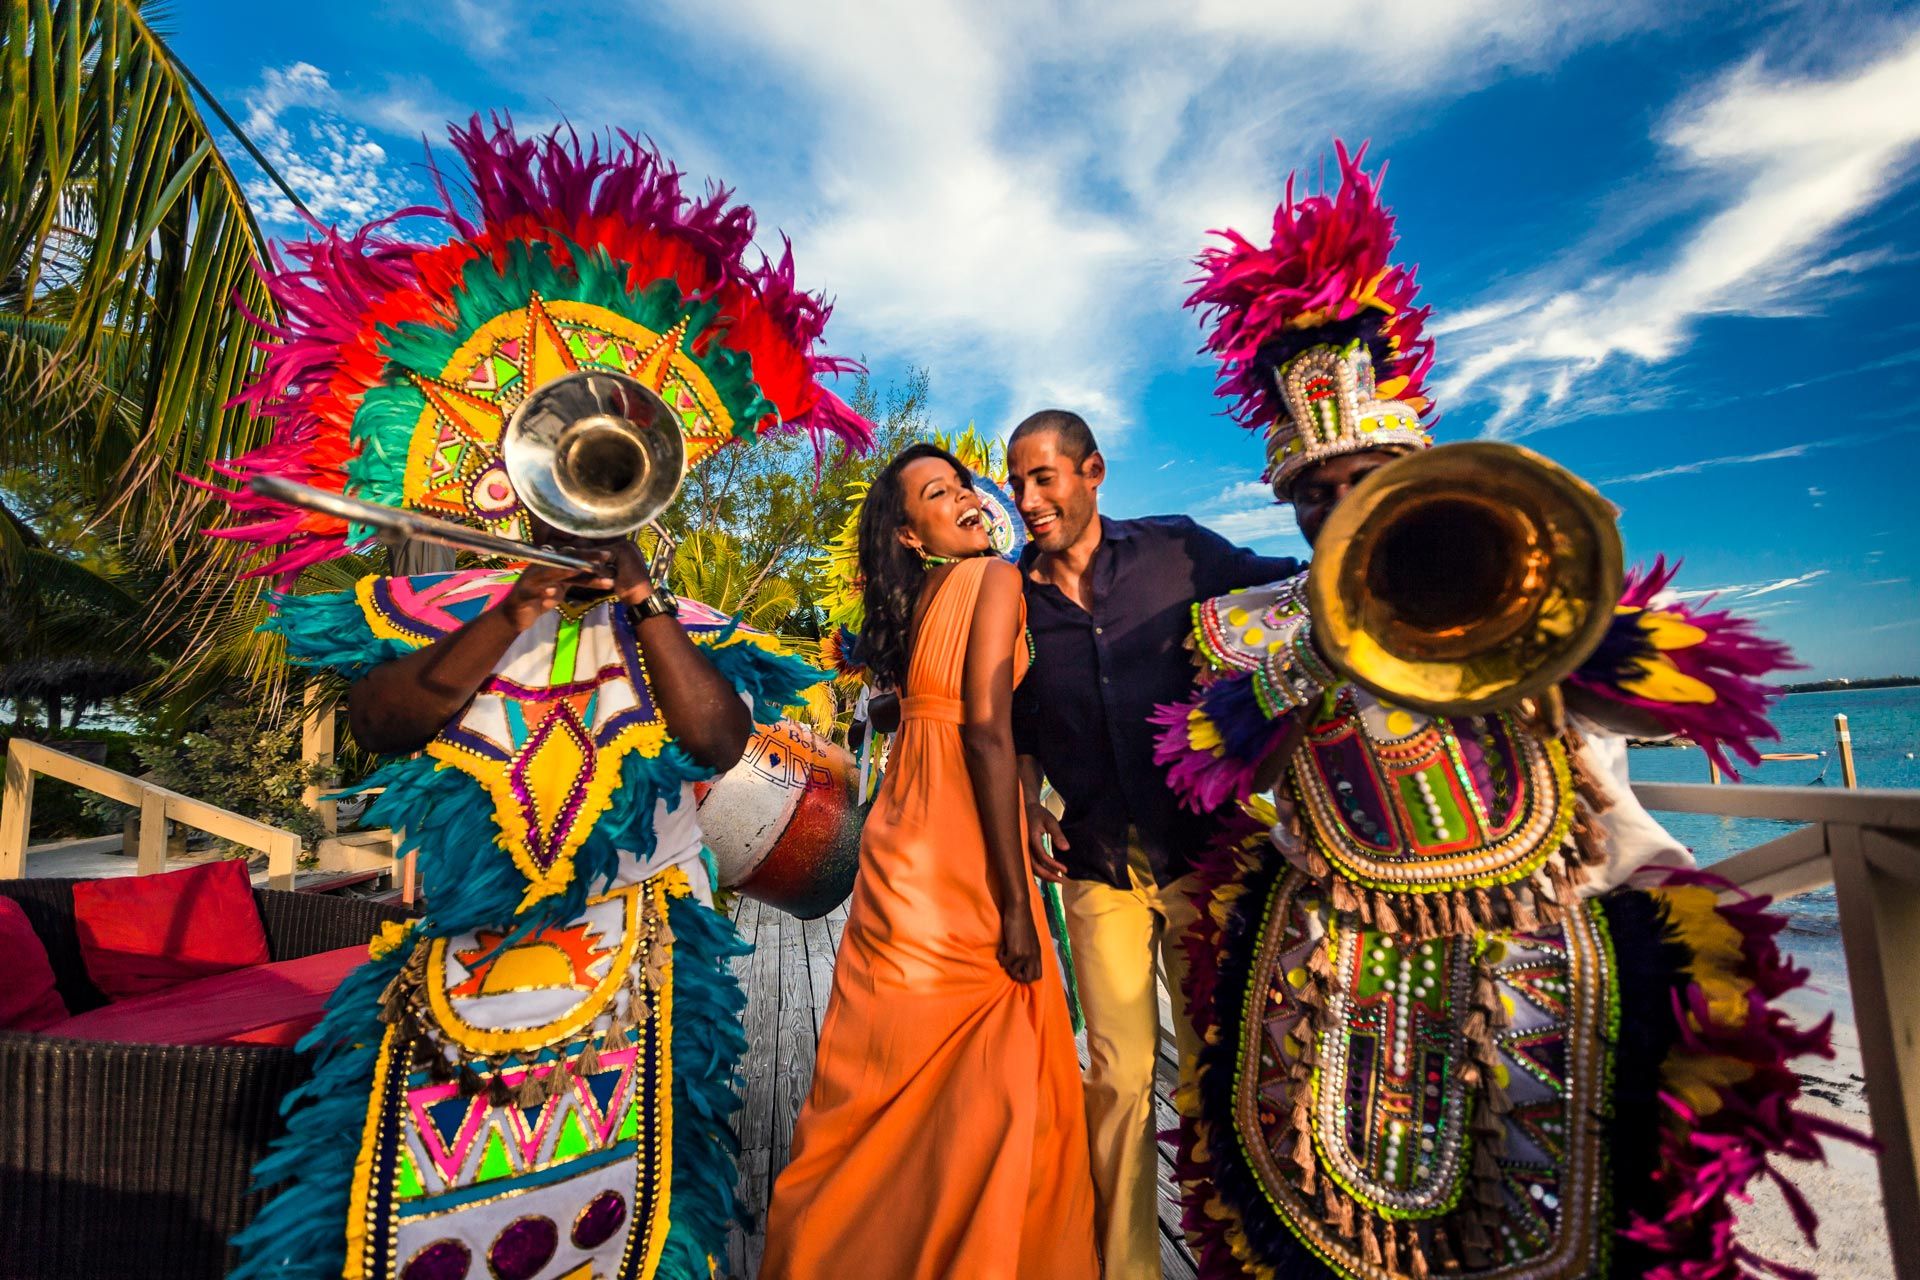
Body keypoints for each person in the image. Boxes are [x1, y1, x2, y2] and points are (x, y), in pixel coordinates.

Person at [1154, 141, 1855, 1279]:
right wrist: (1312, 660)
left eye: (1364, 478)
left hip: (1549, 923)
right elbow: (1204, 755)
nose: (1341, 507)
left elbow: (1694, 692)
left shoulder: (1515, 565)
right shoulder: (1261, 624)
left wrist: (1574, 623)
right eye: (1315, 495)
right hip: (1339, 957)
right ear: (1288, 506)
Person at [214, 118, 869, 1280]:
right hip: (454, 971)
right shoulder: (447, 606)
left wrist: (646, 600)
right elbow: (379, 721)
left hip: (641, 968)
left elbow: (719, 738)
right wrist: (518, 609)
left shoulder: (675, 620)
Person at [762, 443, 1099, 1280]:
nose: (969, 501)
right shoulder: (993, 581)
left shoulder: (923, 602)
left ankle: (847, 1244)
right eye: (938, 496)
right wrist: (1018, 908)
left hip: (901, 833)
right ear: (911, 535)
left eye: (963, 488)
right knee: (998, 1057)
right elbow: (986, 729)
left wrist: (1025, 800)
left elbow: (940, 720)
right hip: (955, 839)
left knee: (882, 1062)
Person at [1006, 410, 1298, 1279]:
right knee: (1119, 1077)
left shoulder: (1181, 551)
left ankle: (1232, 1254)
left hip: (1210, 858)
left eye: (1045, 478)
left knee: (1219, 1068)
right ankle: (1127, 1268)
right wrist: (1026, 801)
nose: (1027, 500)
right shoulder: (1009, 596)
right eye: (1017, 482)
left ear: (1093, 471)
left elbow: (1294, 599)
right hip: (1096, 863)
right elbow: (1015, 719)